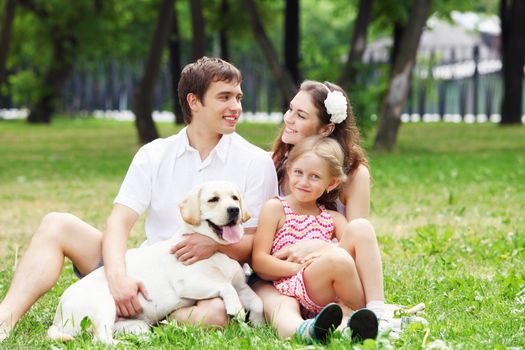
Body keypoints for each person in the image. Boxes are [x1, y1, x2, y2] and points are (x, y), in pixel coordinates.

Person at [0, 57, 278, 342]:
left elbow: (257, 243)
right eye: (225, 97)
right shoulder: (154, 154)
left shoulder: (255, 161)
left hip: (207, 279)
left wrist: (211, 244)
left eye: (238, 97)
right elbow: (119, 223)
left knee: (215, 315)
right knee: (56, 224)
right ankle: (4, 320)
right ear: (194, 102)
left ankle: (149, 318)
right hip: (145, 268)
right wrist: (118, 277)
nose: (236, 107)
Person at [251, 80, 388, 341]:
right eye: (290, 109)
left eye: (300, 115)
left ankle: (373, 316)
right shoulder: (271, 163)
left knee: (358, 234)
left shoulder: (353, 174)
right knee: (279, 305)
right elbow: (259, 250)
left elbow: (357, 245)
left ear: (326, 129)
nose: (288, 119)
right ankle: (307, 330)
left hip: (334, 269)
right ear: (290, 170)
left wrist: (321, 248)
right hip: (280, 275)